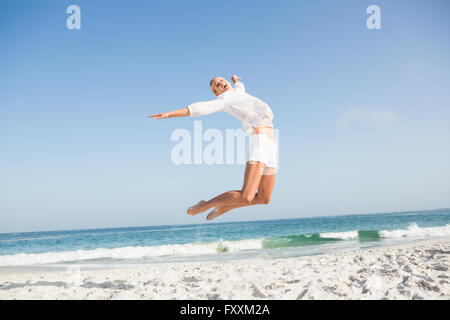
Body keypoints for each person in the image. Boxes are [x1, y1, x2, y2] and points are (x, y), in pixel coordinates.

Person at [149, 75, 277, 220]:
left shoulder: (238, 92)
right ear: (217, 93)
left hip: (272, 145)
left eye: (222, 80)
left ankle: (225, 207)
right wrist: (171, 114)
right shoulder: (224, 100)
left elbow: (239, 86)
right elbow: (200, 108)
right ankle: (205, 205)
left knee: (264, 198)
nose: (221, 83)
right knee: (246, 196)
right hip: (259, 141)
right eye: (217, 85)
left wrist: (235, 79)